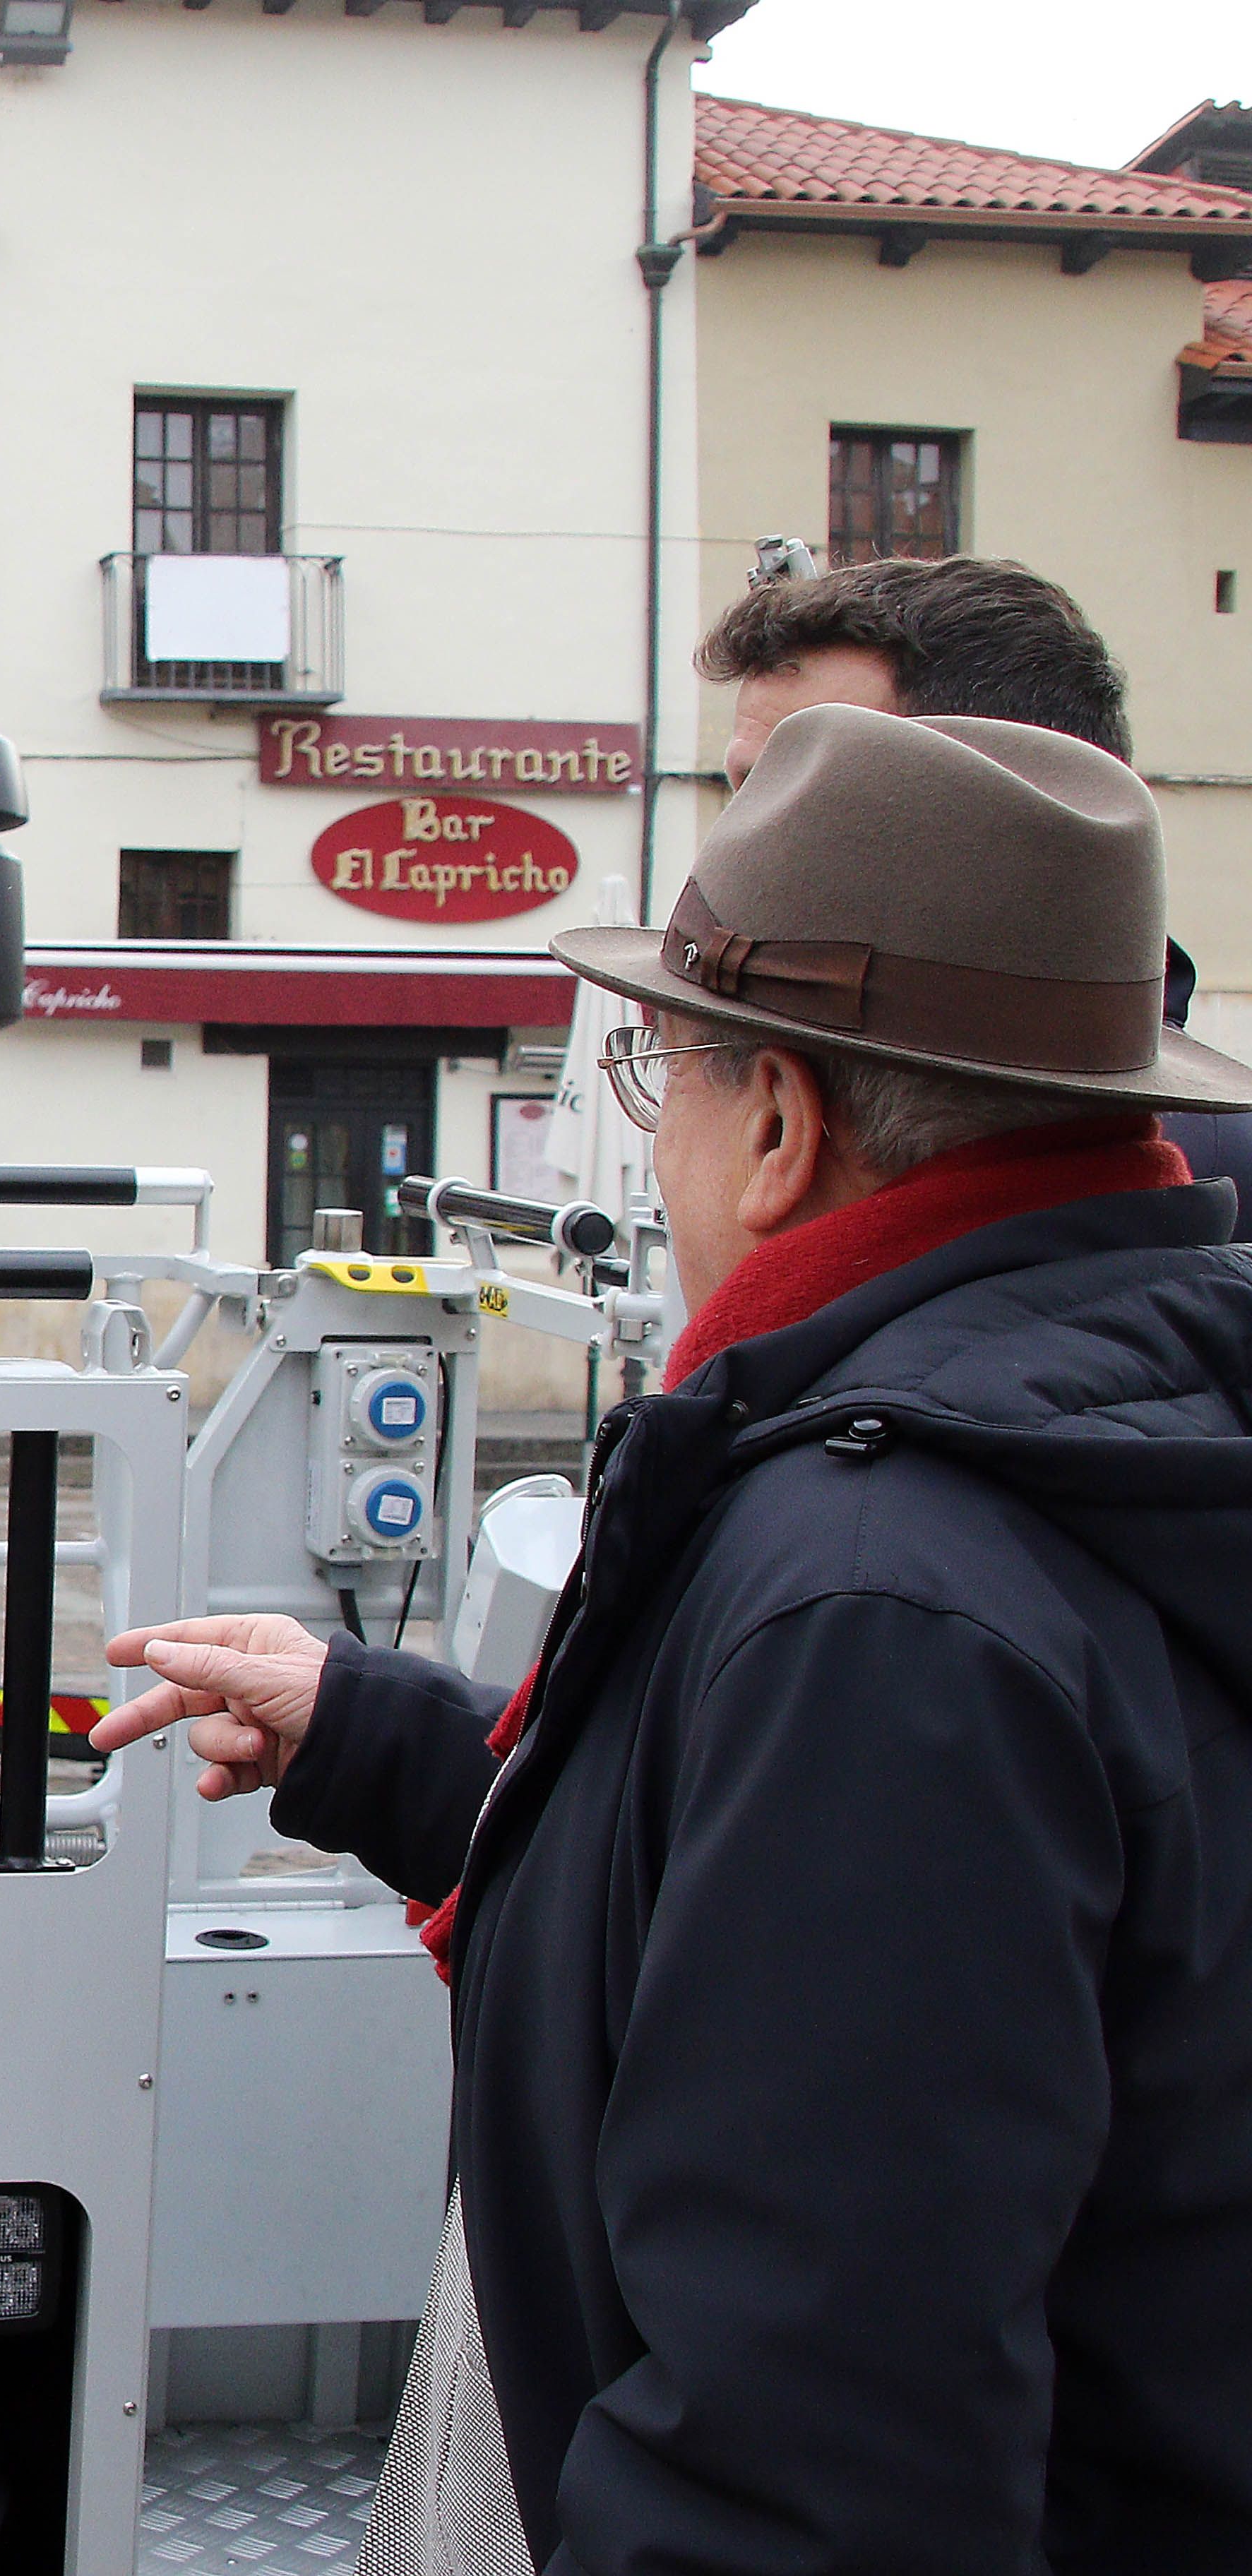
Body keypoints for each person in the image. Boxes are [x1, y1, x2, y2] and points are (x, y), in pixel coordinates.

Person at [97, 705, 1252, 2573]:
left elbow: (807, 2457)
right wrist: (386, 1742)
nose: (658, 1147)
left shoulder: (881, 1608)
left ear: (782, 1122)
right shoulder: (1108, 1455)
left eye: (662, 1081)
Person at [696, 549, 1252, 1200]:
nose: (738, 841)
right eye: (745, 793)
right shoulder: (756, 1088)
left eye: (803, 793)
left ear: (1003, 807)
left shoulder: (1195, 1167)